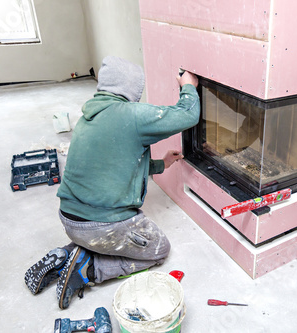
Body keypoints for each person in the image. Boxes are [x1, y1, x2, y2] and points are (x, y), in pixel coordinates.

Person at [24, 56, 200, 309]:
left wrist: (162, 164)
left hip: (70, 220)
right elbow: (187, 115)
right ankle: (90, 269)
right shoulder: (132, 115)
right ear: (131, 88)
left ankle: (66, 255)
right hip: (101, 226)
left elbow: (114, 165)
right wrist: (189, 85)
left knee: (105, 237)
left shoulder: (89, 117)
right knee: (159, 250)